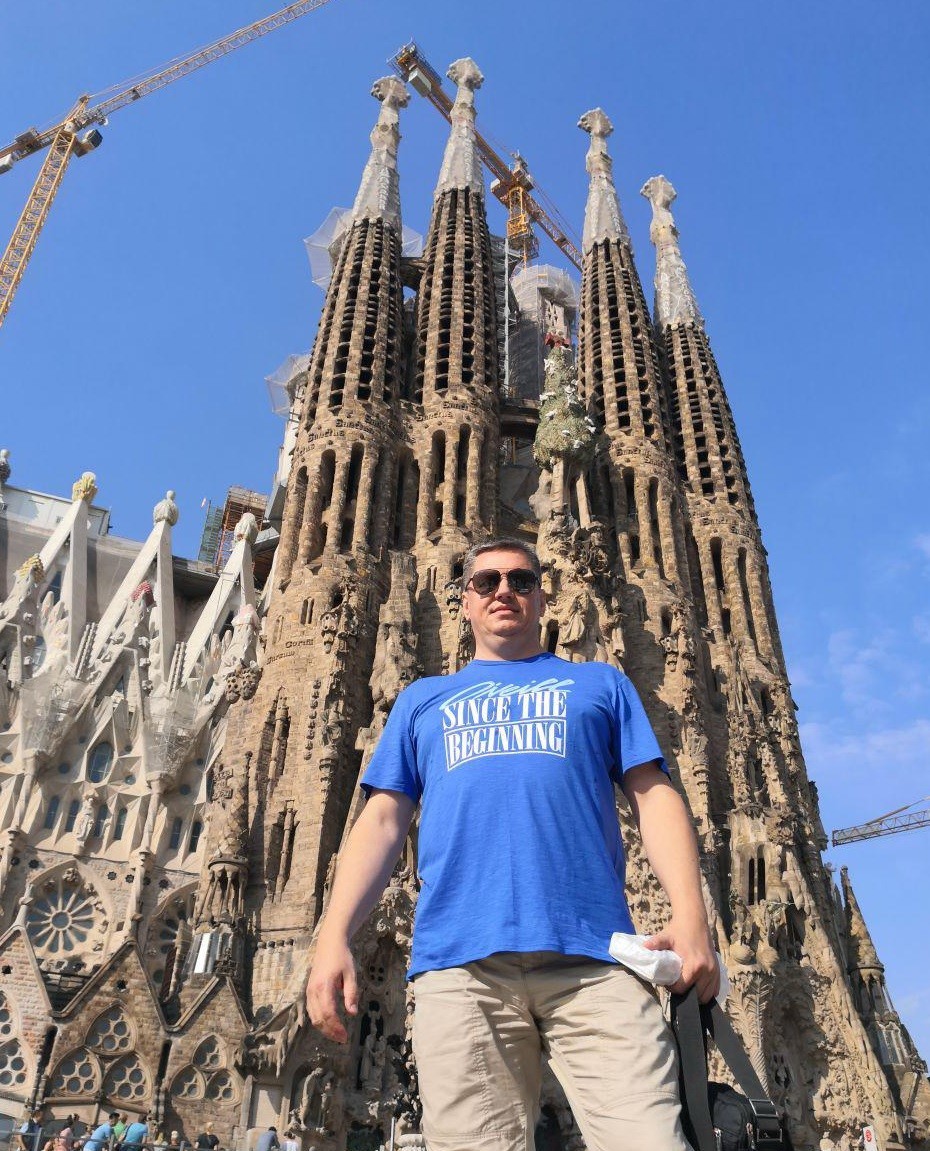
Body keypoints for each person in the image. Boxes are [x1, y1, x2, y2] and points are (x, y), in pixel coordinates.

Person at [307, 537, 719, 1151]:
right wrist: (332, 932)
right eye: (487, 582)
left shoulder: (600, 686)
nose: (504, 591)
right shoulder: (422, 700)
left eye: (521, 581)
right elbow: (382, 819)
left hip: (593, 961)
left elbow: (653, 795)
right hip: (460, 967)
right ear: (464, 602)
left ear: (543, 597)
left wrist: (692, 916)